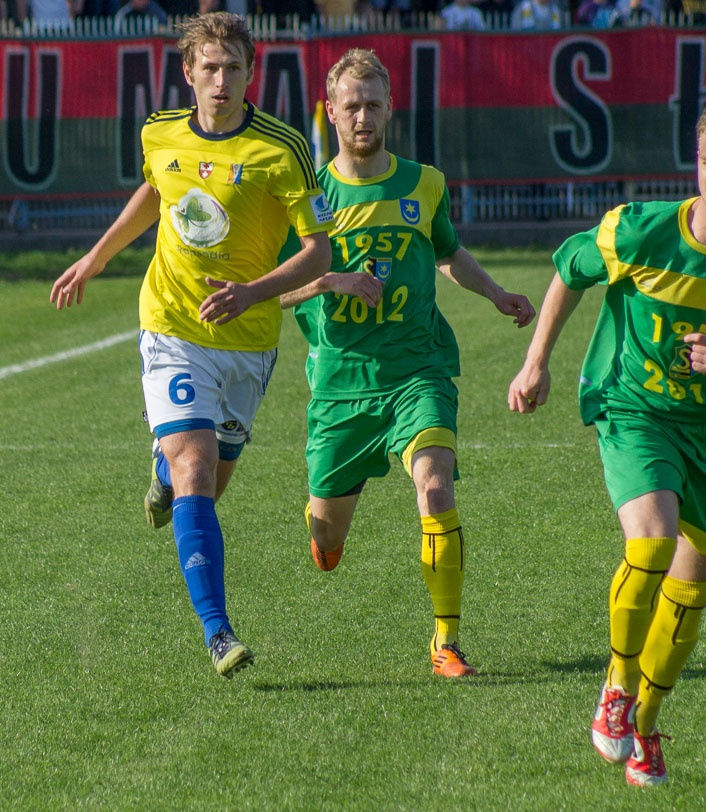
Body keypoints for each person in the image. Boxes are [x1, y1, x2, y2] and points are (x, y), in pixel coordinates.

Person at [508, 97, 706, 786]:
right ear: (694, 161)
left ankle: (645, 725)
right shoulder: (641, 230)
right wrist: (536, 361)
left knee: (691, 593)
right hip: (636, 410)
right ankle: (617, 685)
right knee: (650, 542)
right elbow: (568, 271)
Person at [50, 12, 333, 679]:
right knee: (197, 470)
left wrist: (252, 292)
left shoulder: (282, 149)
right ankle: (218, 632)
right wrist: (95, 258)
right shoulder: (159, 132)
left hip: (249, 341)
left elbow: (317, 251)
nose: (221, 80)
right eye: (209, 67)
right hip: (171, 326)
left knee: (208, 479)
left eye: (234, 67)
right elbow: (154, 193)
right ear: (188, 73)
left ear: (250, 74)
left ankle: (161, 475)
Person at [279, 48, 535, 679]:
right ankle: (327, 529)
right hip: (340, 381)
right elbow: (271, 289)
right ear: (331, 113)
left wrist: (496, 292)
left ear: (390, 107)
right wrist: (325, 283)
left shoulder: (425, 182)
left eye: (373, 103)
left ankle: (446, 640)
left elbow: (449, 253)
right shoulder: (306, 195)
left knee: (436, 485)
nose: (362, 116)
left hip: (418, 368)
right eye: (351, 106)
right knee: (327, 535)